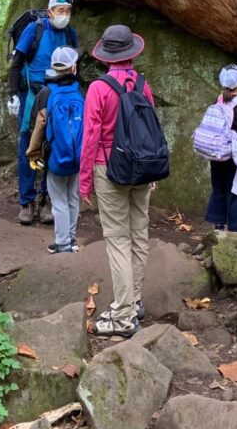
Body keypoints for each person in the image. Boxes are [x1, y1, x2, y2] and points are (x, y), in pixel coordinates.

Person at [80, 24, 154, 338]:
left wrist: (84, 181)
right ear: (131, 52)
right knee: (138, 235)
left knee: (118, 240)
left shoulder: (99, 88)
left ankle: (123, 317)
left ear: (106, 55)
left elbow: (90, 137)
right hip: (141, 165)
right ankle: (133, 300)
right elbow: (151, 127)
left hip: (108, 167)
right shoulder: (142, 83)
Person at [8, 0, 78, 225]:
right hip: (32, 96)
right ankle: (26, 202)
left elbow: (74, 64)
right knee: (27, 146)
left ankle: (46, 200)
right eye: (60, 11)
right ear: (50, 12)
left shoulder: (69, 33)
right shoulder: (34, 30)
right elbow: (17, 62)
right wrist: (12, 94)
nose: (64, 16)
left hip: (57, 96)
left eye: (67, 11)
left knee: (52, 145)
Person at [26, 46, 83, 254]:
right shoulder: (78, 91)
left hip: (55, 157)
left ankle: (62, 243)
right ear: (73, 67)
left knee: (58, 200)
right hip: (78, 157)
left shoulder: (47, 93)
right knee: (72, 197)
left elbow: (39, 128)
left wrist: (33, 154)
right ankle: (72, 238)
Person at [204, 65, 237, 233]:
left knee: (218, 186)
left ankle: (218, 225)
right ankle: (236, 228)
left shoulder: (218, 100)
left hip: (216, 150)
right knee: (235, 188)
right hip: (233, 152)